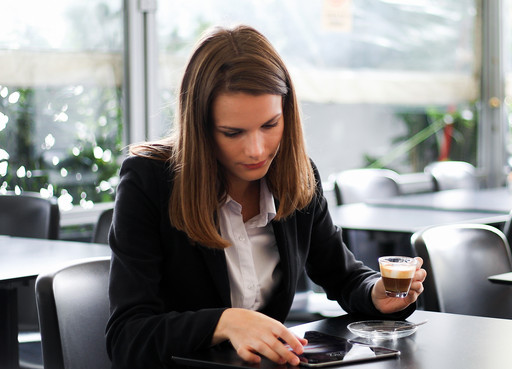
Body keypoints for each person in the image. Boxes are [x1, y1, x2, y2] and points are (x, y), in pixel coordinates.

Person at [105, 24, 426, 369]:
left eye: (270, 125)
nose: (256, 150)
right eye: (233, 132)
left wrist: (377, 294)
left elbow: (344, 277)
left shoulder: (298, 177)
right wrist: (225, 322)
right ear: (200, 127)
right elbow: (128, 336)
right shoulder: (149, 180)